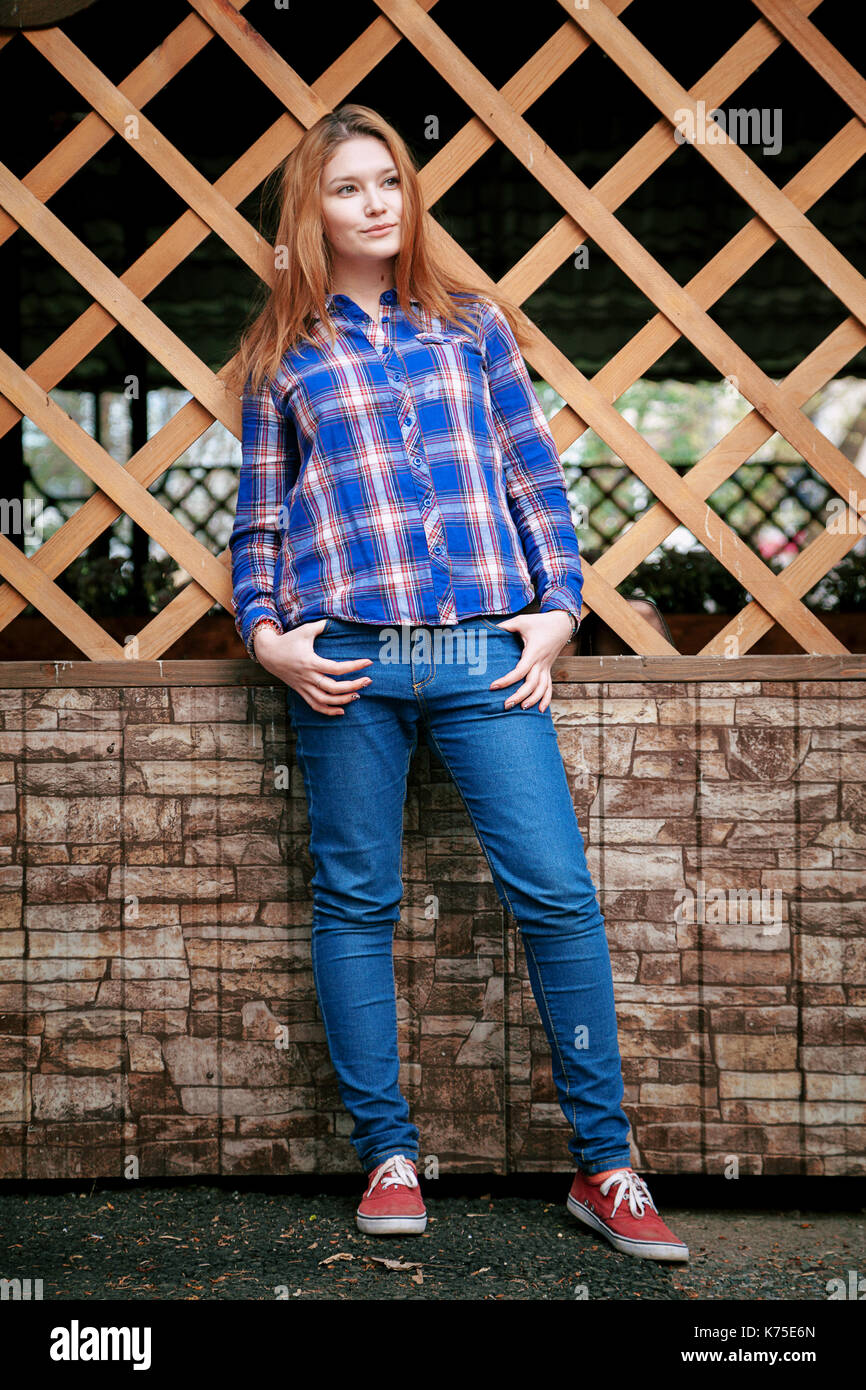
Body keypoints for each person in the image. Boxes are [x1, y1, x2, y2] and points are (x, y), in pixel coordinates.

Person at [227, 104, 688, 1263]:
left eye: (389, 179)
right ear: (310, 210)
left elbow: (536, 480)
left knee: (555, 893)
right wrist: (270, 637)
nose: (376, 202)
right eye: (347, 187)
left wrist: (556, 610)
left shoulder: (474, 329)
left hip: (482, 652)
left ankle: (606, 1167)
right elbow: (260, 521)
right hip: (346, 660)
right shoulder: (283, 355)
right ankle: (388, 1154)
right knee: (354, 899)